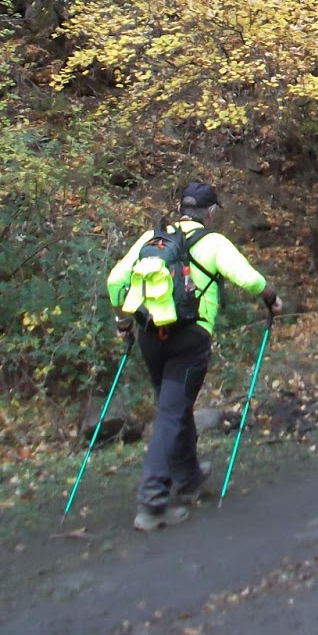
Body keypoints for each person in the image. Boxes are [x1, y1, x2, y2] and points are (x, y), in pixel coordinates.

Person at [107, 181, 281, 531]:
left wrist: (123, 323)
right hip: (189, 339)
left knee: (175, 406)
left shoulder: (151, 239)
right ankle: (152, 503)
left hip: (151, 337)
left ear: (181, 209)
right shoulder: (213, 243)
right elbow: (247, 278)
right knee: (171, 413)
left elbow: (115, 280)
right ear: (211, 213)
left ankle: (188, 479)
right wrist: (271, 297)